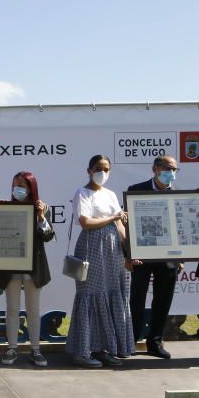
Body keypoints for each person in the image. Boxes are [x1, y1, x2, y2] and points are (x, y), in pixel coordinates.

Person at [65, 154, 135, 367]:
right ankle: (82, 351)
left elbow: (120, 226)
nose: (101, 173)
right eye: (97, 169)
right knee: (90, 295)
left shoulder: (111, 194)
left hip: (113, 251)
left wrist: (128, 252)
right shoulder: (82, 192)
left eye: (105, 169)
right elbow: (85, 221)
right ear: (89, 170)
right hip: (91, 248)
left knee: (111, 294)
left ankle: (102, 348)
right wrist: (113, 218)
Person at [0, 172, 55, 367]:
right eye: (15, 184)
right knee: (12, 308)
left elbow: (47, 236)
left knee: (33, 309)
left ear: (31, 187)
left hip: (33, 267)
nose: (18, 188)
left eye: (22, 184)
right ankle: (12, 347)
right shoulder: (6, 207)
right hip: (11, 265)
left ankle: (36, 349)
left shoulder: (41, 208)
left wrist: (40, 217)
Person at [127, 155, 180, 360]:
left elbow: (179, 228)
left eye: (175, 170)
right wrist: (129, 254)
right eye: (168, 169)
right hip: (141, 255)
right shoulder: (136, 190)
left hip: (168, 256)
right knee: (137, 299)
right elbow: (128, 226)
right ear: (155, 169)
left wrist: (182, 257)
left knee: (163, 300)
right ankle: (130, 341)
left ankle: (155, 342)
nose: (171, 173)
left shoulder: (178, 195)